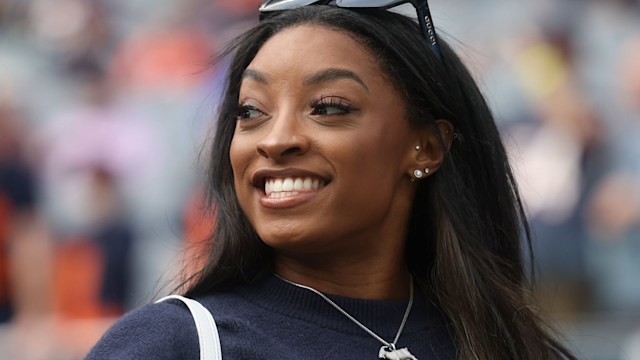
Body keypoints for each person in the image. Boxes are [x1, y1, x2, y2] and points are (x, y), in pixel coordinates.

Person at [86, 1, 576, 359]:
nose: (275, 141)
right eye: (251, 111)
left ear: (425, 147)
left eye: (328, 107)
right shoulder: (171, 347)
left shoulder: (513, 347)